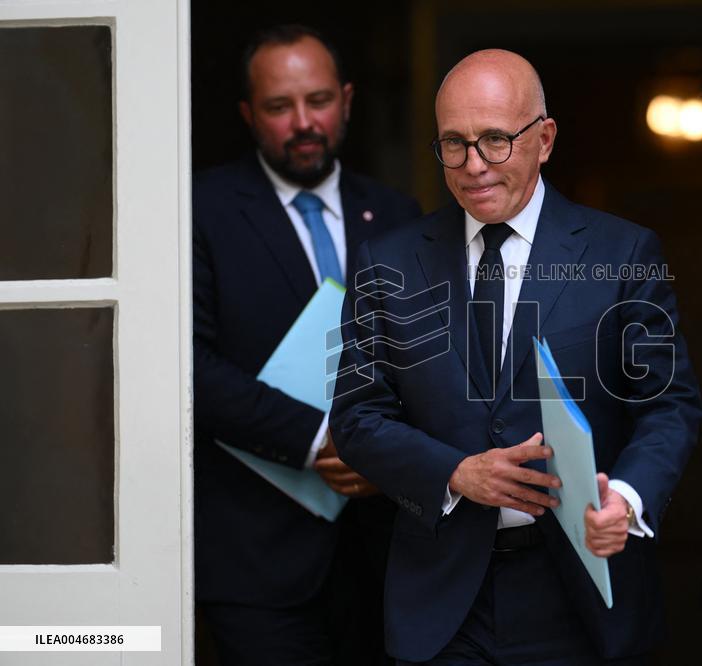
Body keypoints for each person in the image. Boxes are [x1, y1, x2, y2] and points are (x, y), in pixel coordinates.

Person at [331, 49, 702, 664]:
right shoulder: (388, 262)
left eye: (496, 140)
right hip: (443, 600)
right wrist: (456, 473)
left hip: (583, 596)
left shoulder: (623, 252)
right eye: (454, 143)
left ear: (544, 139)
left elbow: (669, 406)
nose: (473, 165)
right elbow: (356, 418)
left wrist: (627, 498)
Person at [193, 24, 420, 665]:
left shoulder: (399, 214)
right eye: (278, 106)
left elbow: (431, 360)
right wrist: (320, 438)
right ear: (247, 114)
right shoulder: (199, 209)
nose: (303, 123)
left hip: (387, 556)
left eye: (318, 100)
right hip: (255, 556)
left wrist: (389, 447)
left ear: (346, 100)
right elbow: (186, 365)